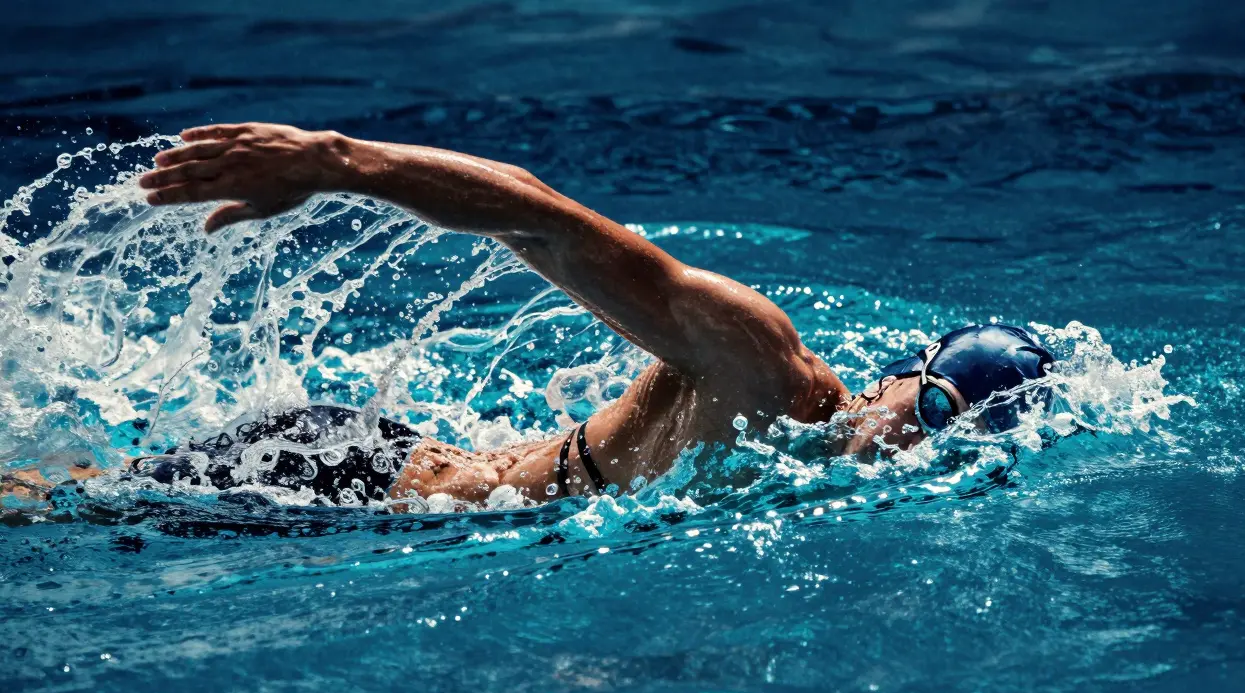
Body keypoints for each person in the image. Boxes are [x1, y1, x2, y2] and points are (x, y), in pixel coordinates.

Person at [2, 123, 1055, 513]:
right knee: (38, 509)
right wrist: (334, 165)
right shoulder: (758, 361)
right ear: (897, 380)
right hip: (343, 481)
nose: (913, 436)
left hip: (384, 490)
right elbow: (538, 218)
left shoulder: (828, 486)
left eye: (947, 441)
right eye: (930, 405)